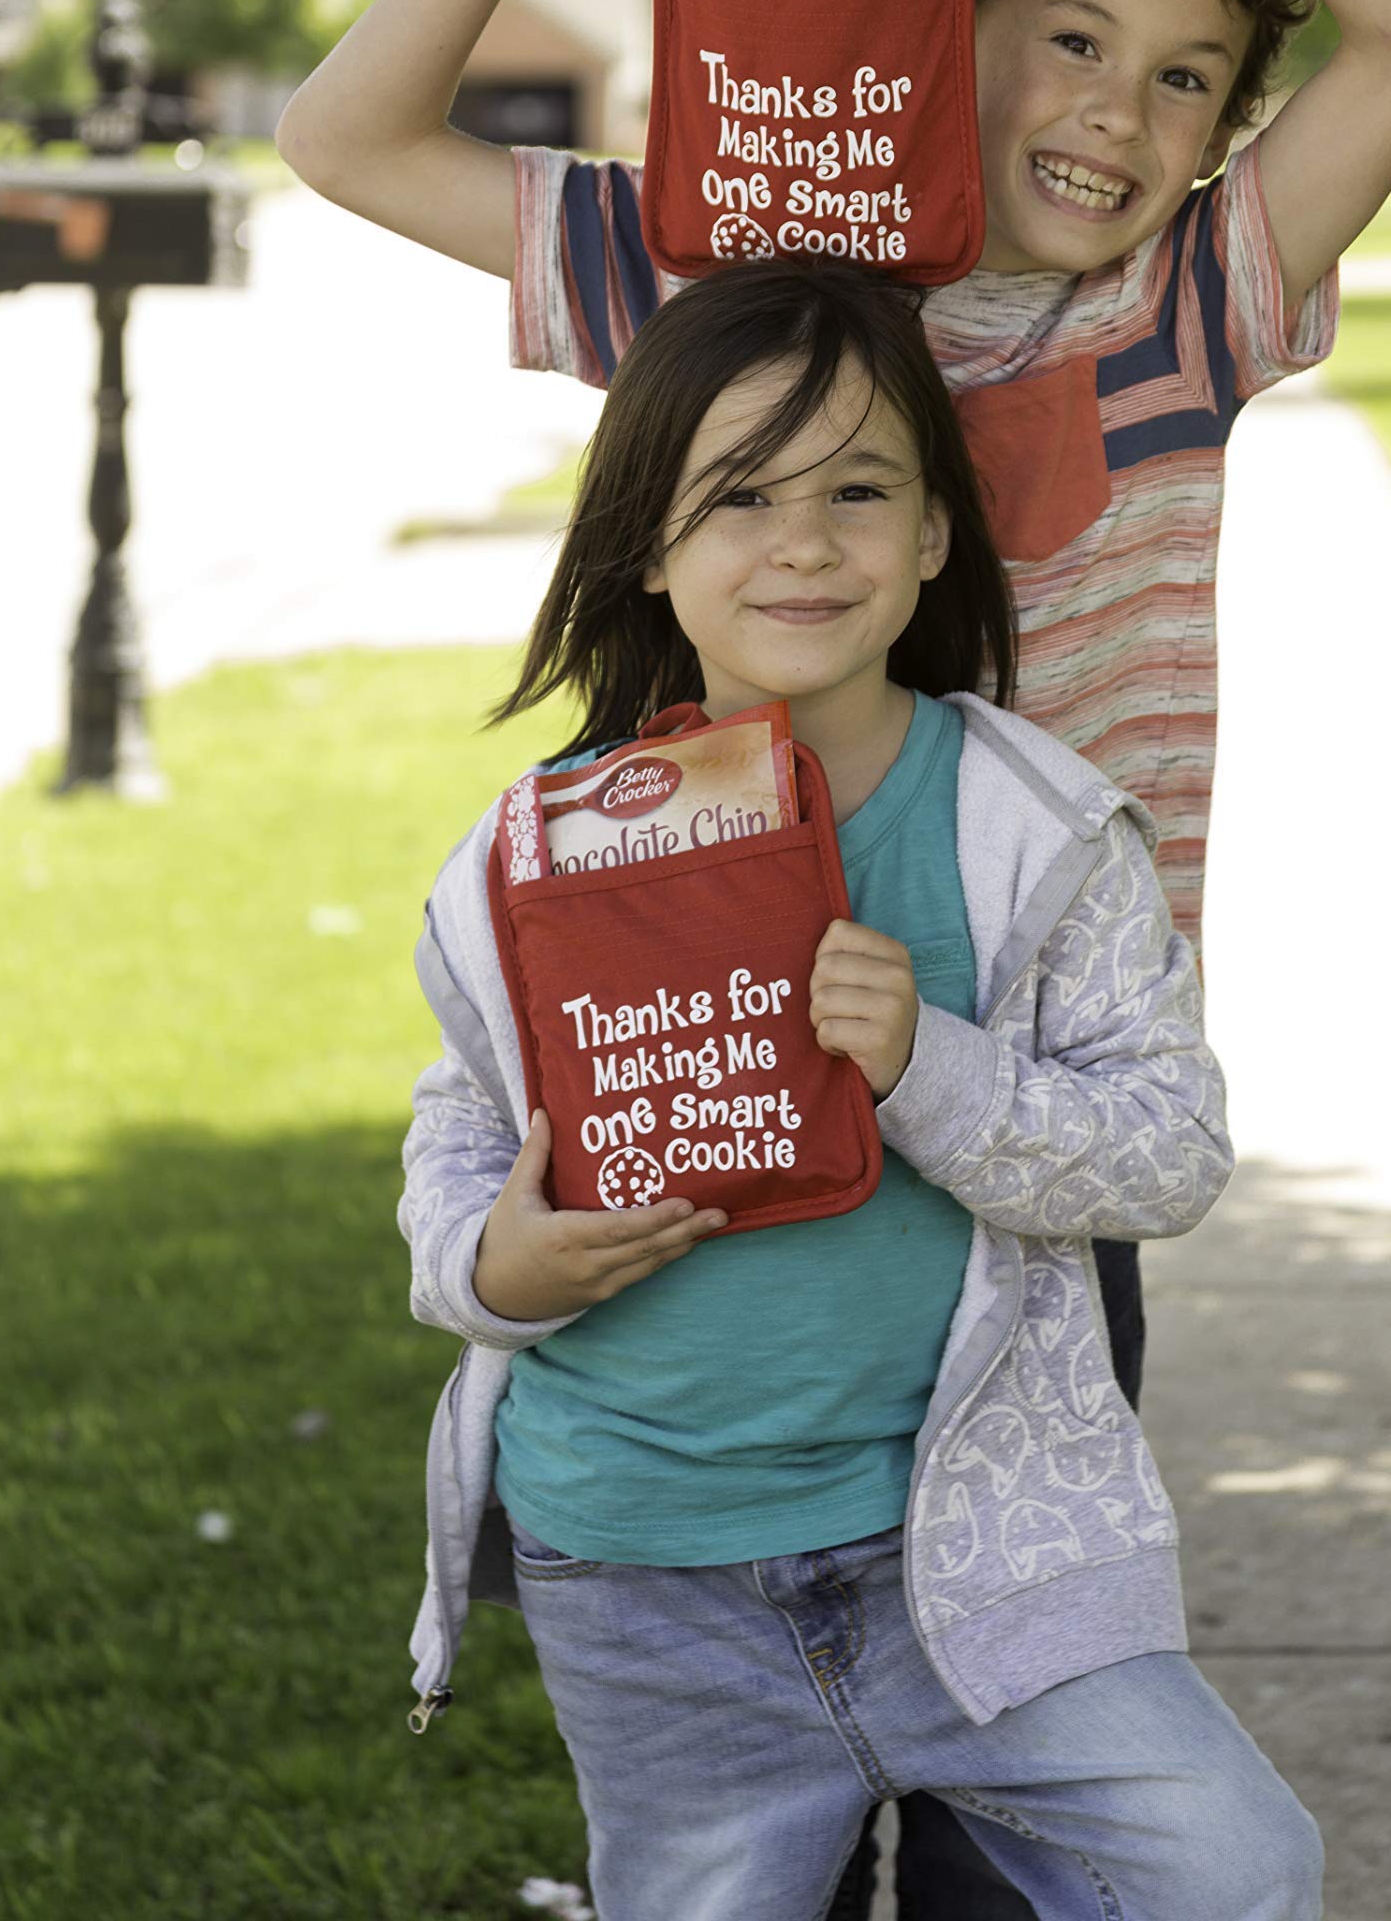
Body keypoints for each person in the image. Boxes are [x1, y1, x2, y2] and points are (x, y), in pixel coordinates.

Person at [282, 0, 1391, 1913]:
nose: (1117, 111)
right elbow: (345, 139)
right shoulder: (726, 284)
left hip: (1036, 1129)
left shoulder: (1179, 309)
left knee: (1010, 1762)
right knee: (757, 1757)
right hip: (712, 1085)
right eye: (1063, 34)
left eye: (1185, 72)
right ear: (942, 24)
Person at [399, 259, 1323, 1921]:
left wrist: (931, 1068)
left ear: (935, 535)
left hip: (967, 1550)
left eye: (858, 489)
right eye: (739, 495)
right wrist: (488, 1264)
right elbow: (465, 1107)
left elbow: (1171, 1152)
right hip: (643, 1559)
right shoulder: (547, 840)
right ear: (652, 549)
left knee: (1232, 1863)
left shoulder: (1039, 832)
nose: (805, 541)